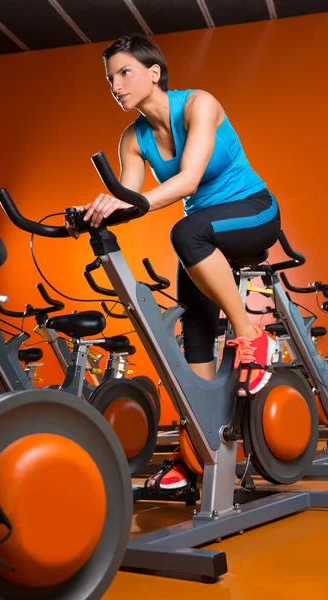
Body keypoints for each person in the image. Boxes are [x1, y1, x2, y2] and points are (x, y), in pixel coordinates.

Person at [79, 33, 281, 490]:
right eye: (110, 78)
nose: (116, 85)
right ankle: (198, 446)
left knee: (185, 231)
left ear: (154, 72)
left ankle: (251, 337)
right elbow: (131, 200)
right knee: (193, 325)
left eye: (125, 72)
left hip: (253, 211)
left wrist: (126, 204)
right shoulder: (133, 139)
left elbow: (188, 180)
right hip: (206, 236)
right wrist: (93, 213)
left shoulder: (198, 105)